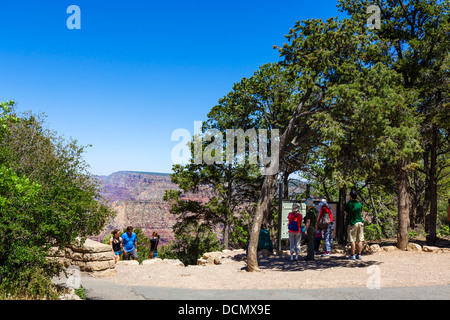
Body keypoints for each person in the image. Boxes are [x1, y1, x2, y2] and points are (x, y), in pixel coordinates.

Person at [344, 190, 364, 260]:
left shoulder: (349, 204)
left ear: (350, 196)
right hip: (360, 223)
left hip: (353, 223)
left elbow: (345, 212)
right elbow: (360, 211)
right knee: (360, 239)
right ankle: (359, 254)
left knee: (352, 240)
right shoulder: (359, 204)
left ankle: (352, 255)